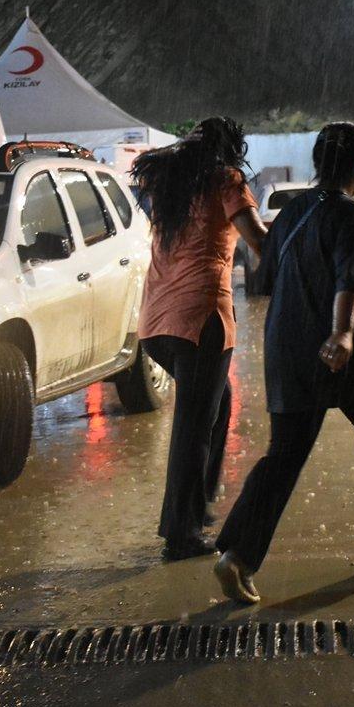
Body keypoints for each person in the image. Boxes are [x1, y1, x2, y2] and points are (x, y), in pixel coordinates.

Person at [213, 122, 354, 604]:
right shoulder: (353, 214)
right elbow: (350, 280)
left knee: (284, 454)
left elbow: (266, 275)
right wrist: (343, 333)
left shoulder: (290, 215)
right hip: (340, 346)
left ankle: (238, 557)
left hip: (287, 346)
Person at [130, 117, 267, 561]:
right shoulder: (226, 180)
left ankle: (199, 503)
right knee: (192, 427)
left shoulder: (171, 184)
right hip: (200, 319)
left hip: (156, 324)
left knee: (217, 401)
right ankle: (180, 533)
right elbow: (258, 243)